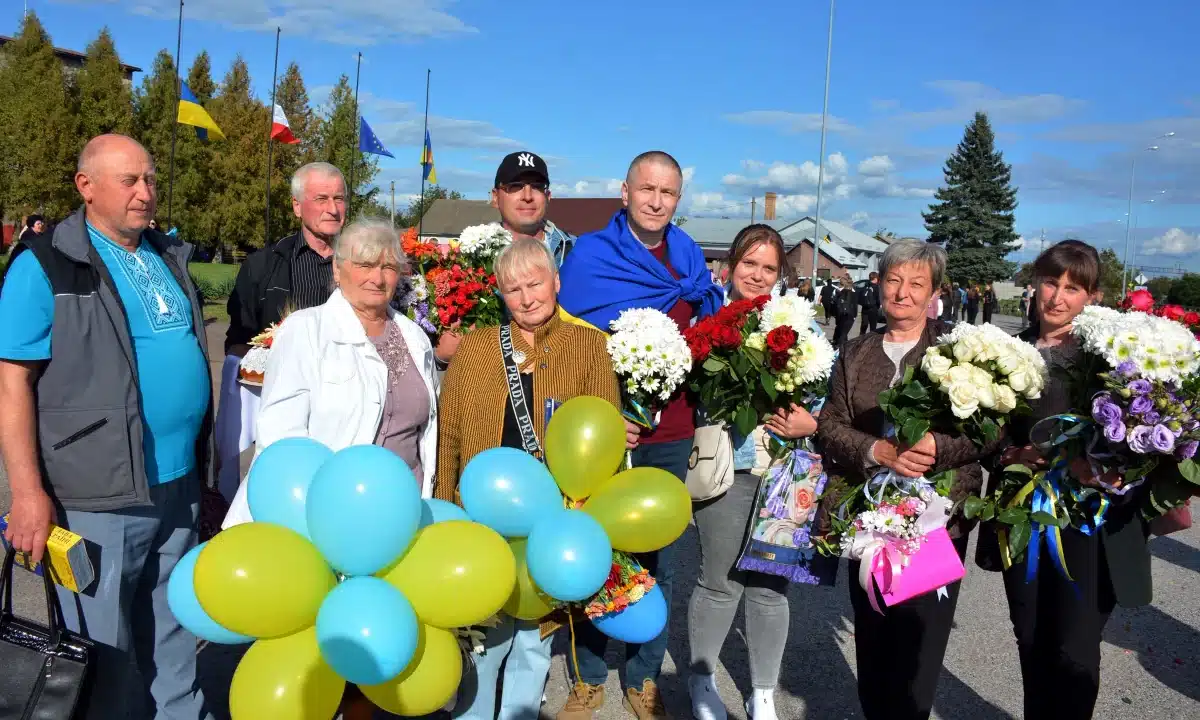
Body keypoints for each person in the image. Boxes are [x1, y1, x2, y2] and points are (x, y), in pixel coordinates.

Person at [0, 134, 214, 719]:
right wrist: (26, 493)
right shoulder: (44, 265)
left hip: (176, 485)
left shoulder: (164, 255)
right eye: (130, 181)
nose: (146, 193)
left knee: (174, 636)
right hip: (97, 494)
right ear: (86, 187)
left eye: (149, 179)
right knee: (103, 652)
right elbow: (12, 384)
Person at [556, 150, 722, 719]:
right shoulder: (591, 257)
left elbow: (706, 329)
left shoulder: (690, 256)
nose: (656, 201)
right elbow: (570, 349)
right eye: (646, 189)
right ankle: (588, 675)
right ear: (624, 191)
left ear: (679, 199)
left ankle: (644, 673)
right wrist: (608, 409)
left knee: (662, 556)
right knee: (594, 549)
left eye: (668, 193)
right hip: (604, 432)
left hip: (671, 429)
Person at [817, 239, 1003, 720]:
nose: (902, 293)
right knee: (875, 638)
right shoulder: (856, 351)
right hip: (870, 521)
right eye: (893, 280)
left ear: (934, 292)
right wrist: (875, 450)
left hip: (936, 523)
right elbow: (831, 424)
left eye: (916, 284)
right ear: (878, 284)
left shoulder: (958, 352)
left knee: (918, 647)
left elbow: (989, 432)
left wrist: (940, 447)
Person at [435, 237, 620, 720]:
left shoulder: (589, 346)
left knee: (534, 643)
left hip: (554, 515)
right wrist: (444, 510)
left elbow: (605, 435)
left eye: (535, 283)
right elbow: (449, 438)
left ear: (556, 281)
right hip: (487, 513)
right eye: (513, 289)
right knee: (483, 638)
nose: (527, 297)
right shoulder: (476, 349)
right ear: (501, 294)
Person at [976, 241, 1150, 720]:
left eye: (1073, 288)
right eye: (1051, 282)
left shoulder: (1112, 360)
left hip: (1088, 526)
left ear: (1091, 297)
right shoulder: (1007, 352)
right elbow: (982, 437)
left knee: (1074, 649)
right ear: (1035, 284)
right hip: (1025, 516)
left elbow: (1144, 443)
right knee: (1031, 637)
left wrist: (1090, 465)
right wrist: (1010, 454)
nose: (1057, 297)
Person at [687, 225, 819, 720]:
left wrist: (814, 419)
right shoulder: (709, 320)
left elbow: (826, 390)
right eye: (750, 264)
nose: (758, 276)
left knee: (770, 587)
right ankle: (701, 682)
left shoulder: (803, 327)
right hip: (727, 469)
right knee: (719, 580)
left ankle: (762, 691)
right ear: (731, 265)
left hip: (786, 475)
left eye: (768, 268)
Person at [224, 219, 439, 522]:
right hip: (327, 513)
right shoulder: (305, 331)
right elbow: (281, 439)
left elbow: (425, 434)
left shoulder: (415, 338)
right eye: (364, 265)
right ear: (338, 269)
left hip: (403, 512)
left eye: (388, 267)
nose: (377, 278)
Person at [215, 162, 349, 501]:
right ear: (296, 206)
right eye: (321, 199)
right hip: (285, 423)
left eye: (339, 198)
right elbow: (238, 341)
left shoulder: (364, 265)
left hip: (349, 415)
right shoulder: (262, 265)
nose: (332, 209)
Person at [436, 151, 577, 370]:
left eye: (537, 186)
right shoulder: (463, 261)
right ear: (495, 197)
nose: (527, 195)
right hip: (490, 382)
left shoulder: (576, 252)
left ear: (548, 196)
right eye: (515, 186)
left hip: (562, 377)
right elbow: (432, 349)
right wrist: (441, 356)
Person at [832, 275, 858, 348]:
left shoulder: (839, 292)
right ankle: (841, 347)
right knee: (844, 333)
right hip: (850, 315)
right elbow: (855, 306)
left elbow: (835, 304)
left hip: (840, 314)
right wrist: (855, 316)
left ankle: (840, 345)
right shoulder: (854, 293)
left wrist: (835, 315)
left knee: (842, 331)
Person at [857, 271, 882, 335]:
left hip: (865, 309)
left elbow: (860, 297)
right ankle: (870, 341)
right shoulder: (876, 287)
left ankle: (860, 339)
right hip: (873, 309)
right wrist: (878, 306)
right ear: (876, 278)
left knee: (864, 325)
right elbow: (878, 299)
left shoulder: (865, 285)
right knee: (873, 327)